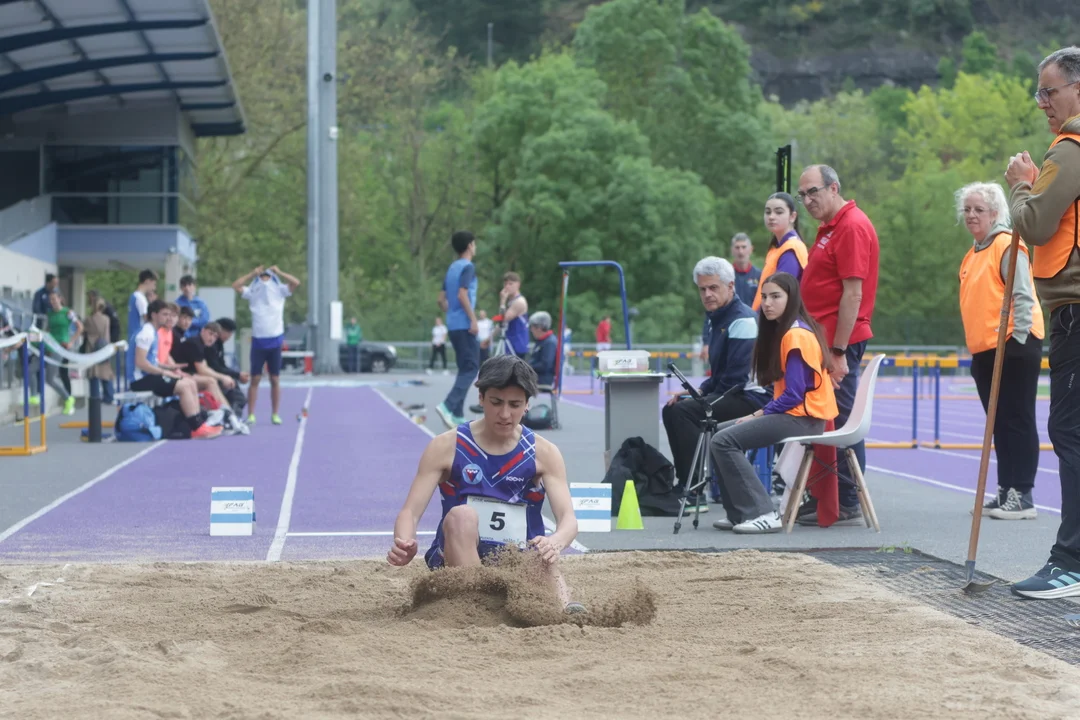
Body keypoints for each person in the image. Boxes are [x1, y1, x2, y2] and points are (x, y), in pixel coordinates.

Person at [387, 355, 583, 613]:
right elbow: (410, 512)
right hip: (456, 556)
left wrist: (556, 541)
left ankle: (563, 608)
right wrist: (404, 542)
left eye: (515, 405)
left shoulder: (544, 452)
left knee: (542, 548)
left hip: (518, 558)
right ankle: (479, 607)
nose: (505, 414)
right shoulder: (446, 446)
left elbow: (568, 519)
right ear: (481, 398)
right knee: (461, 516)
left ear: (527, 405)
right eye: (496, 402)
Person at [1005, 46, 1080, 599]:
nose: (1041, 103)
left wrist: (1021, 183)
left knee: (1070, 432)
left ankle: (1070, 562)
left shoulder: (1070, 149)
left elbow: (1032, 223)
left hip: (1074, 311)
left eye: (1048, 91)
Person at [710, 273, 838, 534]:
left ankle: (764, 513)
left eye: (775, 296)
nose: (767, 303)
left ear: (792, 299)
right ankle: (739, 513)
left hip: (804, 418)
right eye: (764, 296)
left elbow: (795, 395)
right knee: (718, 433)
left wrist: (757, 414)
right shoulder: (788, 331)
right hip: (797, 415)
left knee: (724, 441)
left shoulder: (796, 335)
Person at [795, 164, 879, 527]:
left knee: (841, 418)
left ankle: (845, 499)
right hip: (823, 340)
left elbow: (853, 294)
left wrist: (839, 351)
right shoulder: (830, 227)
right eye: (802, 194)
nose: (807, 200)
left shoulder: (851, 226)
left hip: (838, 343)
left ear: (834, 188)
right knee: (826, 416)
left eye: (813, 191)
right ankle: (826, 495)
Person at [957, 182, 1044, 521]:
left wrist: (1018, 341)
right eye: (967, 209)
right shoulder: (972, 254)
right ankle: (1007, 489)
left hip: (1013, 344)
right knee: (998, 422)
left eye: (978, 209)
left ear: (994, 213)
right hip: (985, 350)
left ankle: (1022, 495)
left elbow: (1022, 295)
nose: (971, 215)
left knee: (1017, 419)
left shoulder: (1007, 245)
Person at [661, 257, 765, 514]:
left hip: (751, 398)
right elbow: (720, 375)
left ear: (730, 287)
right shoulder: (715, 318)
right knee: (672, 407)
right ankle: (686, 483)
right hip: (731, 390)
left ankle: (694, 491)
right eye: (702, 289)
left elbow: (735, 380)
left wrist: (699, 397)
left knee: (683, 412)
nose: (707, 294)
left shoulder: (742, 320)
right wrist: (696, 392)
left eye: (713, 288)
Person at [128, 299, 221, 440]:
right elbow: (140, 362)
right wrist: (164, 372)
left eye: (169, 314)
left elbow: (152, 360)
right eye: (164, 314)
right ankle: (196, 427)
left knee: (190, 382)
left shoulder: (153, 332)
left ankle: (199, 424)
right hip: (140, 380)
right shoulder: (146, 333)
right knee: (184, 386)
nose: (168, 318)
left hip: (150, 376)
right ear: (154, 315)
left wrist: (169, 367)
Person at [233, 265, 300, 426]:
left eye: (267, 276)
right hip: (258, 339)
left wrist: (280, 272)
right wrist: (251, 274)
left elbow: (296, 282)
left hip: (275, 339)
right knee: (255, 379)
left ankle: (275, 414)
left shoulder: (279, 289)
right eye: (262, 276)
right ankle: (251, 415)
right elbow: (236, 285)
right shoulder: (253, 289)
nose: (264, 279)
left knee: (274, 378)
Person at [435, 231, 480, 428]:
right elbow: (463, 294)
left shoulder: (452, 268)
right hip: (464, 325)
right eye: (474, 244)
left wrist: (451, 312)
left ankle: (457, 414)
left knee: (464, 368)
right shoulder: (468, 267)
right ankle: (448, 405)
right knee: (471, 367)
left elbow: (440, 300)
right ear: (470, 245)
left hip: (453, 324)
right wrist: (473, 319)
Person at [753, 192, 809, 311]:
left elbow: (777, 294)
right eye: (768, 212)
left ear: (792, 216)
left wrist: (758, 318)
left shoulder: (791, 249)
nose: (771, 216)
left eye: (778, 212)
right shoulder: (777, 248)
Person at [171, 321, 234, 410]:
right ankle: (225, 412)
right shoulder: (195, 343)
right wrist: (223, 377)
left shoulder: (201, 345)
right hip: (178, 373)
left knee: (212, 381)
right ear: (203, 331)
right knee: (210, 382)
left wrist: (223, 377)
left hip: (187, 373)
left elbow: (205, 367)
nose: (212, 338)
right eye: (210, 334)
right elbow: (201, 370)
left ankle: (225, 411)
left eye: (215, 336)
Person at [46, 291, 81, 415]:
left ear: (60, 299)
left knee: (52, 376)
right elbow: (49, 329)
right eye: (50, 300)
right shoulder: (50, 314)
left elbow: (80, 327)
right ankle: (67, 399)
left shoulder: (67, 312)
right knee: (44, 373)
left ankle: (68, 398)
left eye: (54, 299)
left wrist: (71, 342)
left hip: (62, 347)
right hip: (51, 346)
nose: (52, 302)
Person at [206, 317, 249, 416]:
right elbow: (215, 367)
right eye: (227, 332)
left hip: (215, 375)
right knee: (237, 397)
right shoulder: (211, 345)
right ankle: (230, 417)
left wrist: (237, 375)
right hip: (210, 376)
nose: (229, 336)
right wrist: (237, 375)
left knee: (237, 393)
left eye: (231, 333)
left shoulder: (219, 344)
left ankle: (232, 416)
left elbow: (222, 365)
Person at [126, 269, 158, 385]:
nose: (154, 288)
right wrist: (154, 305)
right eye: (154, 284)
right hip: (141, 339)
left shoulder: (133, 296)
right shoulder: (140, 298)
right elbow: (147, 319)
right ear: (147, 281)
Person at [83, 297, 115, 406]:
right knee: (106, 371)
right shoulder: (106, 319)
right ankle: (109, 396)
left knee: (93, 373)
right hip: (103, 346)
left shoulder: (88, 319)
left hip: (92, 348)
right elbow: (107, 334)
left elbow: (84, 332)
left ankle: (95, 396)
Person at [498, 272, 530, 358]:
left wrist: (502, 301)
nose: (507, 287)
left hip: (517, 344)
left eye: (510, 284)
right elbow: (501, 325)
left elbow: (502, 320)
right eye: (505, 284)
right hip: (510, 342)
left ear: (518, 284)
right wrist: (489, 338)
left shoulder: (519, 302)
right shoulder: (511, 302)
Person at [527, 311, 558, 387]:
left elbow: (546, 365)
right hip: (536, 377)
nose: (531, 330)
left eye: (532, 327)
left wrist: (527, 367)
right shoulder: (541, 341)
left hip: (543, 379)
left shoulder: (549, 342)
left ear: (539, 328)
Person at [730, 233, 762, 307]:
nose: (740, 251)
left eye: (744, 247)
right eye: (737, 247)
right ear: (732, 250)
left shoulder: (759, 275)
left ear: (751, 249)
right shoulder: (726, 276)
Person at [176, 275, 211, 340]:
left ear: (194, 286)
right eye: (184, 285)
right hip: (183, 336)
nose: (187, 288)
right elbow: (178, 321)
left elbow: (205, 320)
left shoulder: (200, 303)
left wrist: (189, 322)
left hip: (200, 337)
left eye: (189, 285)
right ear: (181, 288)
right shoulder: (177, 303)